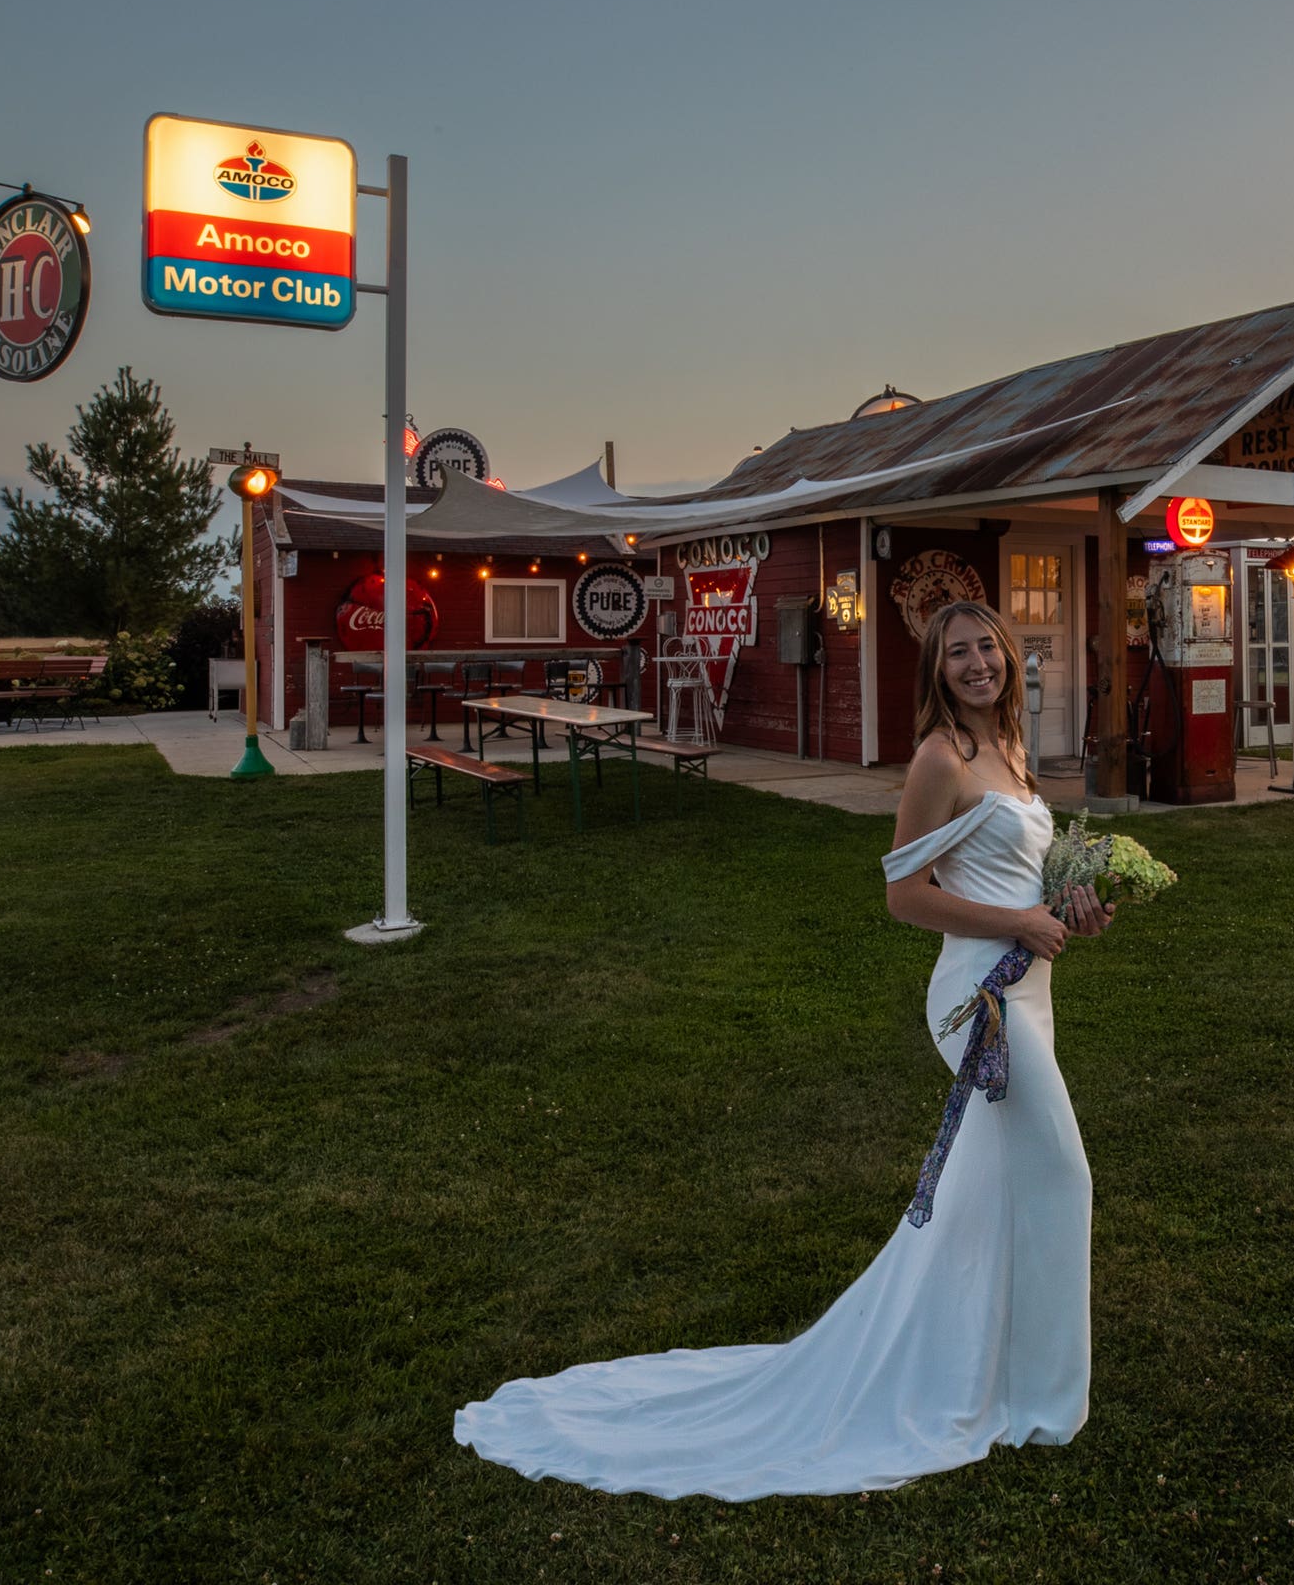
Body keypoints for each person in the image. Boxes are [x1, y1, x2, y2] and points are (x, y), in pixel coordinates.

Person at [454, 598, 1114, 1498]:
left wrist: (1070, 908)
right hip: (978, 999)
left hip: (1031, 992)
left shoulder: (1013, 753)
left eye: (986, 650)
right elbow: (905, 895)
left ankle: (987, 1368)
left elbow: (1020, 881)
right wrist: (1017, 922)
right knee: (1062, 1173)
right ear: (935, 671)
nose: (976, 665)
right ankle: (1036, 1397)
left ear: (1008, 656)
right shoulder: (938, 759)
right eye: (956, 654)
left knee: (991, 1191)